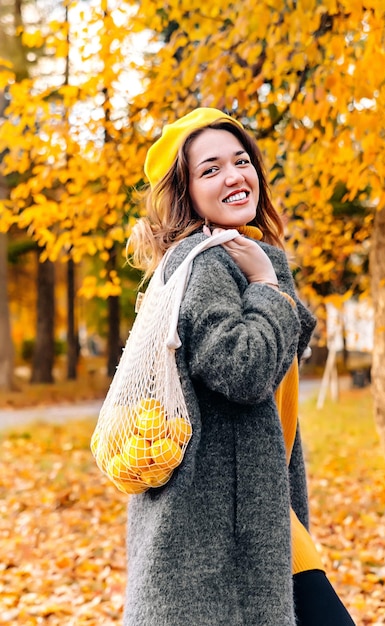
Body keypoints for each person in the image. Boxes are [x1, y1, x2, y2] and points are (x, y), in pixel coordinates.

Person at [124, 107, 356, 626]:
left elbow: (280, 358)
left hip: (256, 512)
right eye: (210, 169)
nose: (233, 176)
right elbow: (244, 371)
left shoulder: (243, 255)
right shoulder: (204, 263)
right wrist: (268, 288)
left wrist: (267, 278)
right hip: (221, 525)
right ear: (186, 190)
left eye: (241, 160)